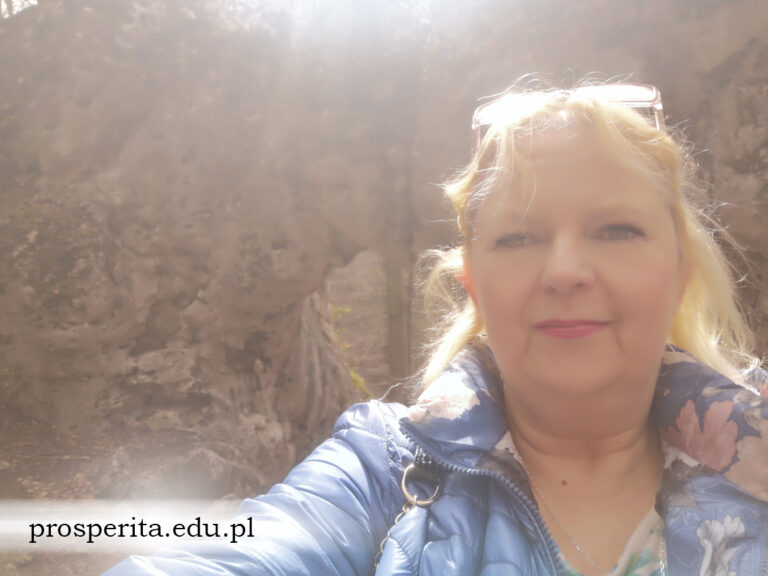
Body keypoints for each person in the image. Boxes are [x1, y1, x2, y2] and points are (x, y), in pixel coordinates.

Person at [104, 82, 768, 576]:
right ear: (473, 284)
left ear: (679, 271)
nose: (566, 270)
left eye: (616, 229)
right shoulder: (380, 473)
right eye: (518, 237)